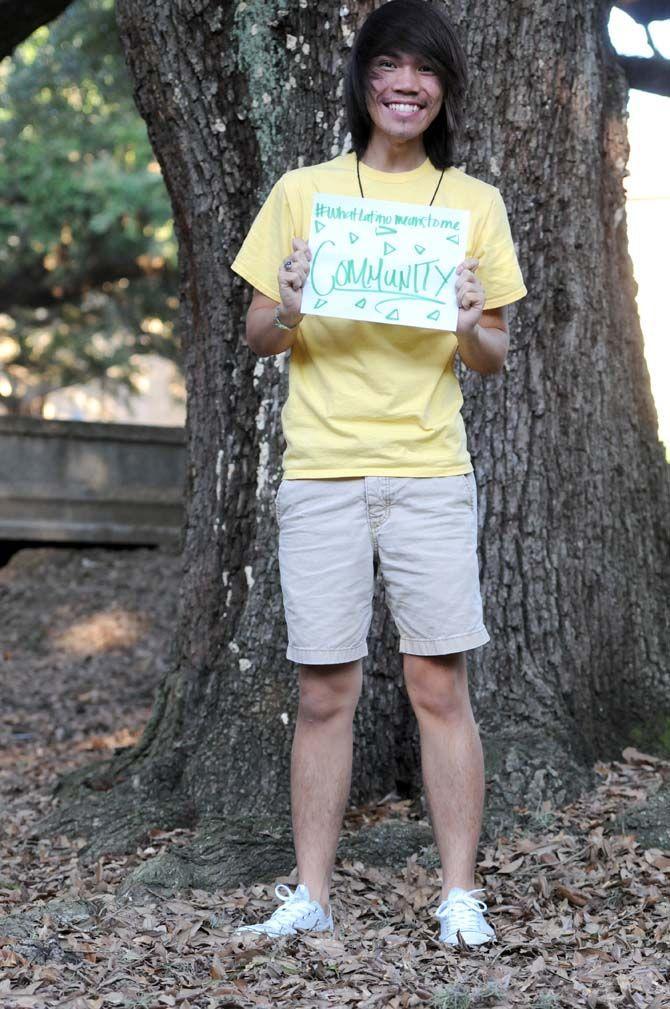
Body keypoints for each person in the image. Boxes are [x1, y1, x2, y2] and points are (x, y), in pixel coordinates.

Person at [229, 0, 526, 947]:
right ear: (364, 81)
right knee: (325, 688)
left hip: (429, 471)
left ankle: (458, 893)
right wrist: (294, 299)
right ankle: (310, 892)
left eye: (426, 71)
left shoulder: (472, 204)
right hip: (321, 471)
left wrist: (471, 317)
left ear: (443, 91)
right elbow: (260, 336)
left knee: (440, 684)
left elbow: (491, 358)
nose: (408, 84)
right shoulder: (305, 192)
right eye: (391, 66)